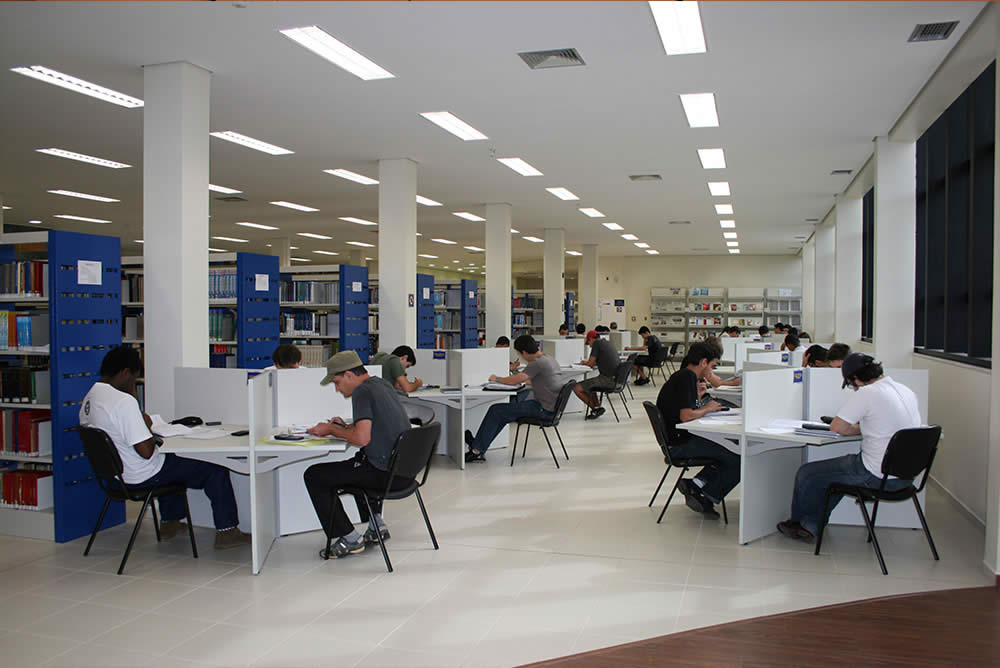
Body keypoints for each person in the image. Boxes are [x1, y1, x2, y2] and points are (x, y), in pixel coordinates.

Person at [79, 346, 250, 549]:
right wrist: (134, 400)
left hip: (114, 478)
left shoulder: (90, 397)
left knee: (172, 461)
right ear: (125, 372)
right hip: (140, 476)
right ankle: (227, 531)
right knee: (214, 468)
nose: (134, 383)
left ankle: (171, 522)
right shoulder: (123, 402)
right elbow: (147, 451)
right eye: (134, 379)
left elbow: (131, 427)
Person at [777, 354, 921, 541]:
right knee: (833, 477)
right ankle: (813, 524)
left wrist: (853, 428)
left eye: (851, 385)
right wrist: (865, 427)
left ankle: (800, 525)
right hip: (905, 475)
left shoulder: (868, 393)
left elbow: (838, 428)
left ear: (856, 380)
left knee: (808, 472)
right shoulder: (905, 390)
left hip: (875, 474)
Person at [303, 351, 412, 559]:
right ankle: (376, 524)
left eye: (337, 382)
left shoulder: (362, 392)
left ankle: (349, 538)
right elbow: (373, 426)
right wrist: (346, 427)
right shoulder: (381, 384)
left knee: (315, 476)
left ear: (348, 376)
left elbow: (362, 439)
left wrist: (331, 430)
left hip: (383, 474)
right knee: (358, 462)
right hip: (403, 470)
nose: (337, 389)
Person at [656, 342, 741, 518]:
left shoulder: (682, 376)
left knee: (727, 449)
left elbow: (683, 409)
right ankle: (707, 495)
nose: (710, 371)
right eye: (711, 366)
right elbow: (686, 416)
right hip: (680, 444)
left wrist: (699, 397)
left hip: (675, 440)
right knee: (738, 457)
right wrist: (708, 408)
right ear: (703, 362)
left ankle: (696, 484)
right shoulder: (687, 377)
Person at [464, 335, 562, 462]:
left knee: (496, 410)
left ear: (524, 352)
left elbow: (516, 380)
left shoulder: (537, 362)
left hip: (543, 409)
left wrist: (496, 379)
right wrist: (524, 382)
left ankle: (476, 450)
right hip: (551, 407)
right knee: (503, 414)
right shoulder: (548, 358)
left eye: (520, 354)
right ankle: (479, 446)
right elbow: (541, 380)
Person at [574, 329, 619, 420]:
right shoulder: (606, 343)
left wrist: (583, 363)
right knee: (590, 385)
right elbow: (598, 361)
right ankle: (597, 407)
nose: (589, 346)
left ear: (591, 339)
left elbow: (590, 363)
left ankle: (595, 409)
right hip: (615, 379)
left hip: (607, 380)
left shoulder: (596, 344)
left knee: (576, 388)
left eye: (589, 343)